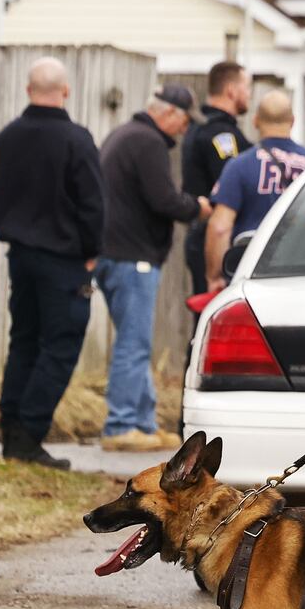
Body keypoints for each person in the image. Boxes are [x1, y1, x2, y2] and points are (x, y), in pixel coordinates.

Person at [0, 58, 106, 469]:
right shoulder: (76, 140)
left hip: (20, 257)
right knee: (59, 347)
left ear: (27, 90)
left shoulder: (6, 139)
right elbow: (92, 204)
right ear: (66, 92)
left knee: (23, 340)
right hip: (64, 260)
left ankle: (14, 433)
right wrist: (92, 250)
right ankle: (29, 434)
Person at [95, 84, 211, 452]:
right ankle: (122, 424)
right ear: (169, 114)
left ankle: (143, 422)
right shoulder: (148, 142)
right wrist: (197, 207)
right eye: (184, 122)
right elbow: (163, 199)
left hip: (115, 253)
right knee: (133, 342)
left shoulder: (125, 135)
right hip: (132, 257)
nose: (184, 130)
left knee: (137, 340)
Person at [205, 89, 305, 291]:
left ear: (255, 121)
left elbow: (220, 228)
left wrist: (215, 277)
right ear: (292, 121)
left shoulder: (238, 167)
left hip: (250, 276)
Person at [182, 61, 252, 295]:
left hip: (202, 239)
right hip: (214, 243)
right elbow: (231, 188)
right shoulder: (221, 135)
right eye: (246, 87)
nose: (249, 94)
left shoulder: (200, 126)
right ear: (231, 90)